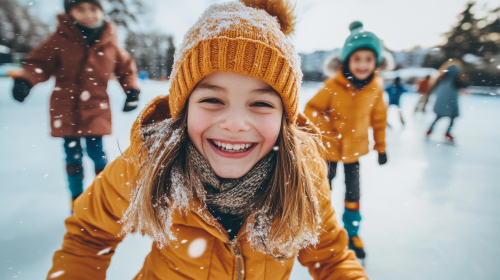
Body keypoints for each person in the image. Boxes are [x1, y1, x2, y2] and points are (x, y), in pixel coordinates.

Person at [46, 1, 368, 279]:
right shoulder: (149, 159)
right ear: (183, 108)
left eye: (261, 104)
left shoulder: (304, 171)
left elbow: (331, 257)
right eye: (212, 100)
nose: (235, 124)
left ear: (284, 118)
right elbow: (88, 236)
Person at [11, 0, 140, 207]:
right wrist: (25, 80)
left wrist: (132, 91)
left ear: (101, 11)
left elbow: (126, 69)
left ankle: (104, 198)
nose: (87, 14)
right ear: (71, 13)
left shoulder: (110, 42)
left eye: (93, 8)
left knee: (98, 154)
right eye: (80, 9)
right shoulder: (60, 39)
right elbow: (39, 63)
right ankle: (77, 199)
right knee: (73, 156)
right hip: (66, 109)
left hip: (96, 109)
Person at [305, 21, 391, 261]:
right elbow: (312, 109)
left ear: (376, 62)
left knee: (354, 193)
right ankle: (322, 229)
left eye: (368, 59)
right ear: (347, 61)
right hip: (330, 151)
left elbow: (379, 119)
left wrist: (381, 147)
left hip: (354, 152)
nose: (363, 64)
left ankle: (352, 233)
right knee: (324, 189)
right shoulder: (333, 86)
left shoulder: (375, 89)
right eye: (357, 59)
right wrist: (326, 130)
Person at [426, 59, 467, 142]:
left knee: (438, 116)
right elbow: (463, 85)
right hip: (452, 101)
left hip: (441, 100)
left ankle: (430, 130)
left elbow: (433, 87)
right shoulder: (457, 78)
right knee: (452, 117)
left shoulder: (442, 76)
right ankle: (448, 132)